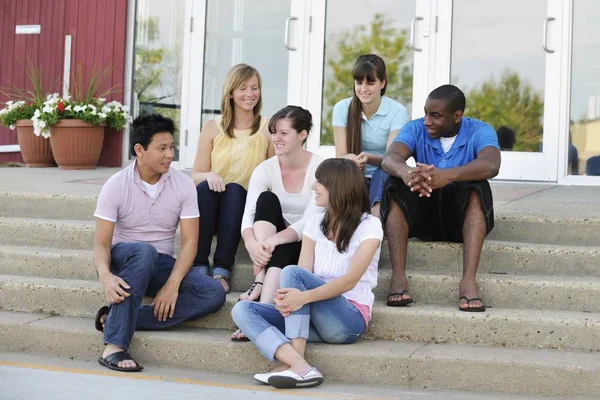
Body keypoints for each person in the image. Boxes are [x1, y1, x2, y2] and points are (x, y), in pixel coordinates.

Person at [231, 158, 383, 389]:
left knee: (292, 274)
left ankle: (295, 366)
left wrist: (301, 298)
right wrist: (287, 301)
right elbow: (302, 274)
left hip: (347, 317)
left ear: (338, 186)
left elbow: (349, 281)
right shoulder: (315, 223)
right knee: (243, 309)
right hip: (311, 318)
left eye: (321, 181)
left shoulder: (370, 225)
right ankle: (298, 365)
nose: (314, 186)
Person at [93, 114, 226, 372]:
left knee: (214, 292)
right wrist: (106, 276)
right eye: (162, 148)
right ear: (140, 150)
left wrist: (172, 285)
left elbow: (190, 243)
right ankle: (114, 346)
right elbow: (101, 245)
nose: (170, 155)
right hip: (125, 259)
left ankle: (115, 319)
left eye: (172, 147)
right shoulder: (115, 185)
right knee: (144, 251)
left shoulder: (183, 184)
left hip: (160, 265)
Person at [381, 84, 500, 311]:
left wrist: (448, 175)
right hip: (422, 219)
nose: (427, 121)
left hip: (459, 220)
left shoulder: (479, 130)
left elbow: (492, 164)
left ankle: (468, 282)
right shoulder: (415, 128)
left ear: (457, 116)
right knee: (394, 183)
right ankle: (398, 278)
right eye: (426, 113)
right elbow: (390, 158)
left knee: (478, 185)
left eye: (435, 116)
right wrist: (407, 172)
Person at [231, 105, 323, 340]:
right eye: (274, 132)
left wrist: (273, 240)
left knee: (284, 245)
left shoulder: (319, 168)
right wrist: (252, 244)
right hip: (270, 242)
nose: (276, 138)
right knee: (266, 200)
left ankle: (259, 310)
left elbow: (310, 221)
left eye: (283, 133)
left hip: (307, 241)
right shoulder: (265, 169)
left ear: (302, 135)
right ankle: (260, 281)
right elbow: (249, 215)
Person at [191, 64, 274, 293]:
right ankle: (199, 265)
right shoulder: (211, 128)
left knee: (236, 189)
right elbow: (195, 176)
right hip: (211, 203)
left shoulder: (267, 128)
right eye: (243, 88)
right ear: (230, 93)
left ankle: (221, 271)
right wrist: (209, 175)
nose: (250, 94)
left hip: (245, 203)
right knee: (205, 189)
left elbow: (273, 174)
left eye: (254, 88)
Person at [332, 54, 408, 218]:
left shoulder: (397, 111)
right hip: (355, 175)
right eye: (359, 83)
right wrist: (350, 158)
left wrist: (369, 158)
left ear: (382, 83)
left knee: (382, 173)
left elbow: (391, 159)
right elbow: (340, 155)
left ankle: (375, 218)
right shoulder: (342, 108)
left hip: (385, 175)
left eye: (370, 82)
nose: (363, 88)